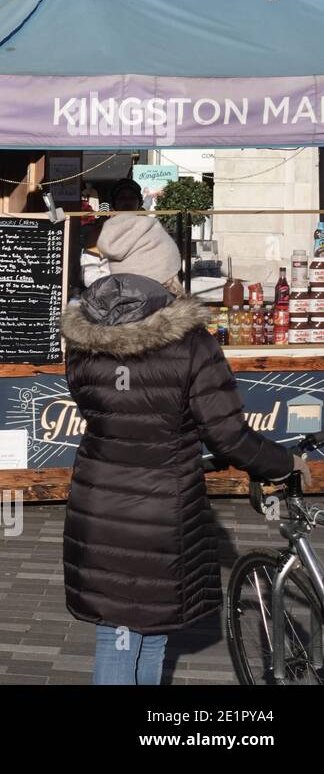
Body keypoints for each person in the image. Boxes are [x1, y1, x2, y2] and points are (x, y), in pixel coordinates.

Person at [59, 214, 305, 684]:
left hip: (97, 499)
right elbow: (228, 435)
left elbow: (92, 404)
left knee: (129, 631)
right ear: (162, 268)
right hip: (161, 507)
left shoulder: (82, 335)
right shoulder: (190, 341)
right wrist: (284, 462)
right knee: (144, 632)